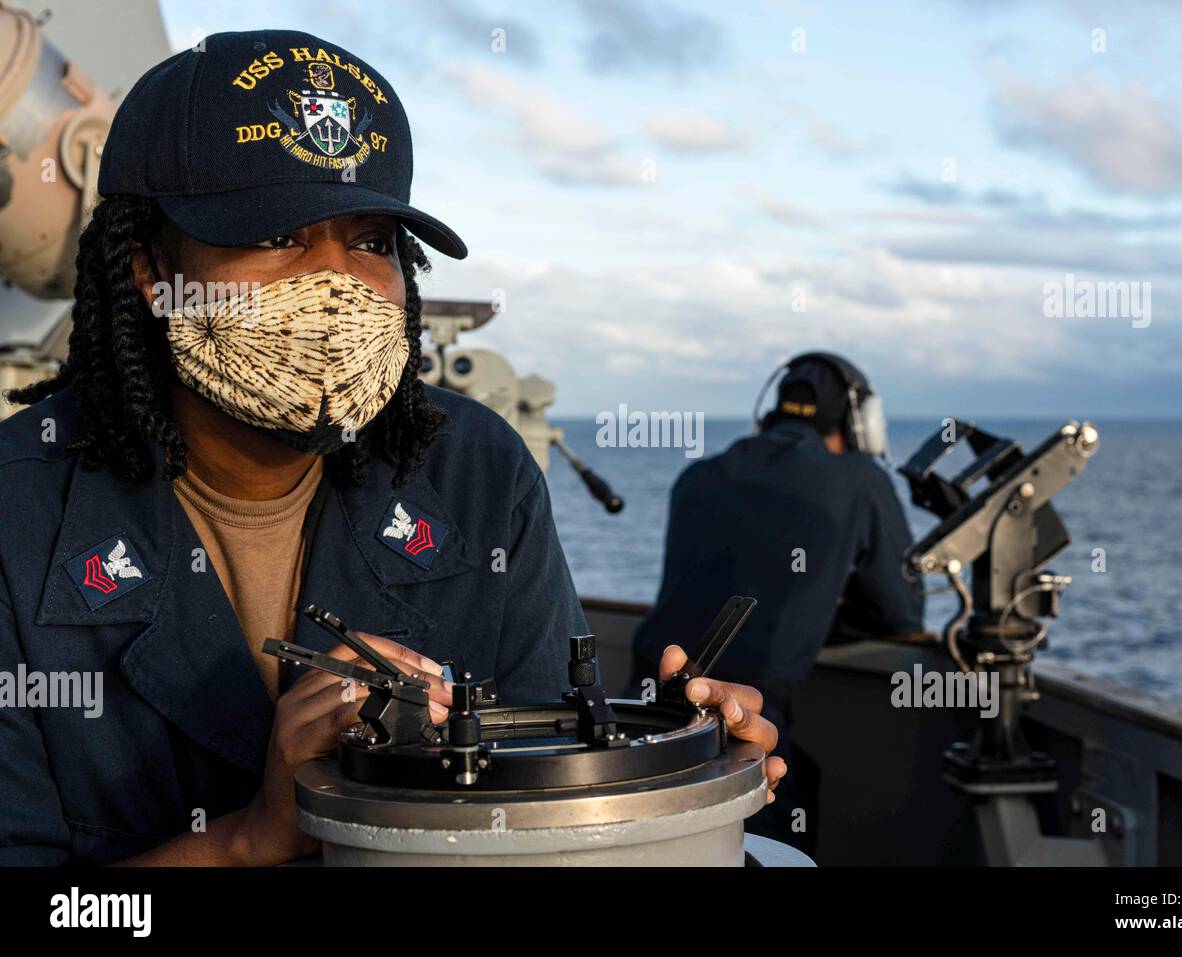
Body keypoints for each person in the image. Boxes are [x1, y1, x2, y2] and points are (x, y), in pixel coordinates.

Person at [0, 29, 784, 866]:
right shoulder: (19, 518)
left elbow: (542, 799)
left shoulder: (474, 471)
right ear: (151, 272)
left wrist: (665, 762)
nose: (335, 283)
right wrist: (247, 840)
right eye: (276, 236)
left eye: (371, 242)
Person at [632, 352, 924, 858]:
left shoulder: (698, 476)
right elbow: (900, 611)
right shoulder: (859, 478)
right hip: (745, 722)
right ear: (859, 423)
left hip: (642, 708)